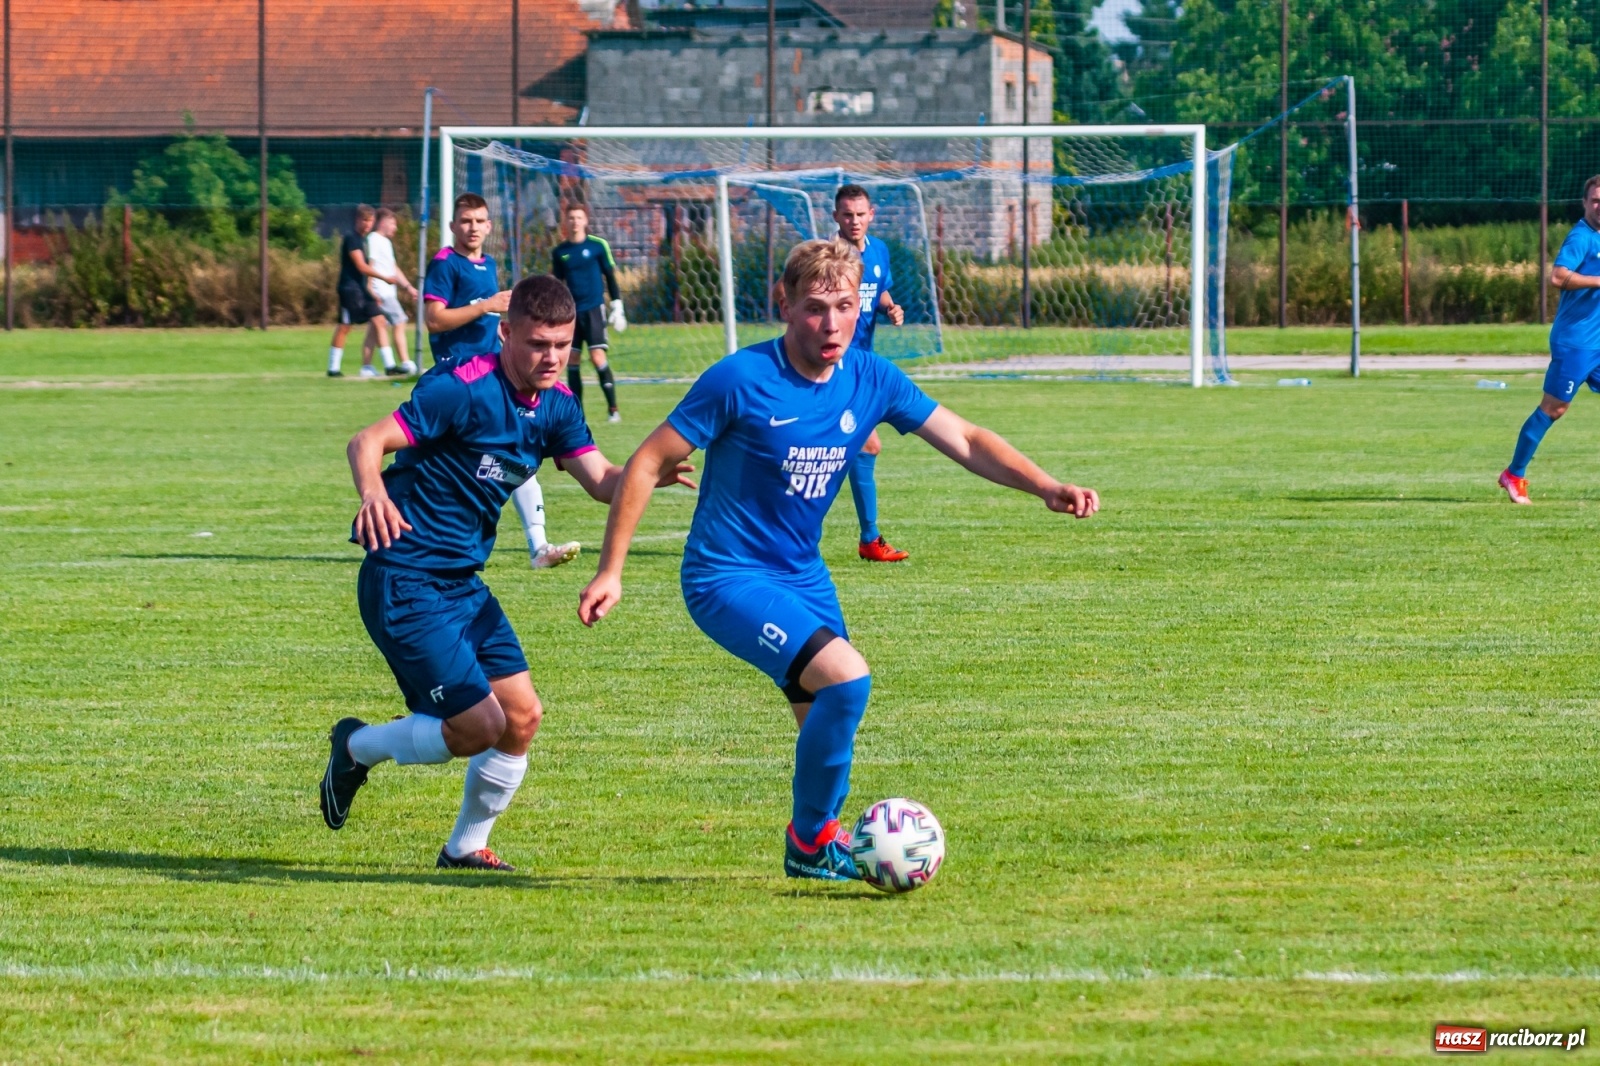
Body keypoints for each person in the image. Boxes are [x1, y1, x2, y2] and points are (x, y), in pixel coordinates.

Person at [577, 239, 1099, 881]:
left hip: (803, 576)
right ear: (786, 306)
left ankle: (819, 841)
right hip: (725, 577)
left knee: (827, 717)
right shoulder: (740, 379)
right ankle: (812, 842)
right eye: (816, 308)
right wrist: (611, 570)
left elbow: (964, 438)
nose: (832, 324)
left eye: (845, 307)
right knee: (848, 680)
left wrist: (1045, 485)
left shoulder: (871, 377)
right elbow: (647, 462)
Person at [321, 275, 695, 870]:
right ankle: (357, 747)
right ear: (506, 334)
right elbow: (366, 442)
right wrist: (373, 494)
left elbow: (602, 481)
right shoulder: (462, 389)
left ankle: (464, 848)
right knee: (477, 727)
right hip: (404, 576)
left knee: (521, 718)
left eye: (562, 345)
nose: (552, 357)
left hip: (462, 584)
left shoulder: (557, 406)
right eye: (538, 344)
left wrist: (645, 473)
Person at [426, 192, 579, 569]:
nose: (473, 228)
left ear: (489, 226)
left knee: (516, 455)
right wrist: (486, 305)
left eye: (479, 221)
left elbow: (488, 323)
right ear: (453, 226)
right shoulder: (445, 263)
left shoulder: (489, 264)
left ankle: (539, 546)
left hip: (494, 379)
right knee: (445, 464)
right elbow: (434, 319)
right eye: (465, 221)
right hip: (456, 380)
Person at [1500, 176, 1600, 504]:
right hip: (1576, 344)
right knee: (1554, 408)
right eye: (1596, 200)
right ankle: (1514, 474)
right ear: (1585, 203)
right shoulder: (1581, 237)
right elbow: (1558, 276)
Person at [833, 184, 909, 562]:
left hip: (862, 364)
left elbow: (877, 291)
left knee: (844, 448)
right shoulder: (829, 257)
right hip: (833, 363)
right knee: (866, 445)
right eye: (847, 214)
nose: (854, 221)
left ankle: (868, 538)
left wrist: (890, 308)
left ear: (871, 215)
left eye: (860, 214)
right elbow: (791, 293)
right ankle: (869, 539)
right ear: (836, 217)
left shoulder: (878, 251)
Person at [551, 204, 625, 423]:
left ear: (585, 220)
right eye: (571, 217)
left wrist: (617, 306)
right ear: (566, 222)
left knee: (597, 356)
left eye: (578, 217)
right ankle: (578, 413)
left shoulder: (597, 246)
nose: (575, 221)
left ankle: (613, 409)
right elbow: (557, 284)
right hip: (570, 313)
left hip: (593, 309)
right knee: (572, 359)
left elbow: (610, 276)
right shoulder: (560, 252)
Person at [328, 205, 399, 378]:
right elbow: (361, 266)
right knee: (345, 326)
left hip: (361, 289)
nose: (368, 224)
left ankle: (390, 366)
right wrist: (384, 278)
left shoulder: (363, 240)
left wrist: (371, 291)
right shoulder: (352, 238)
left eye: (371, 220)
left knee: (380, 320)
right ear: (357, 220)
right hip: (349, 289)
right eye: (365, 220)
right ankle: (333, 368)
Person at [361, 208, 419, 377]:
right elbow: (370, 265)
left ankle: (366, 367)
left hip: (387, 291)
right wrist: (370, 289)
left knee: (375, 328)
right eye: (392, 223)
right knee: (400, 321)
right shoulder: (374, 239)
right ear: (383, 222)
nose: (395, 227)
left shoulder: (386, 242)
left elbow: (393, 268)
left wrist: (408, 287)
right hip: (381, 290)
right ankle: (406, 362)